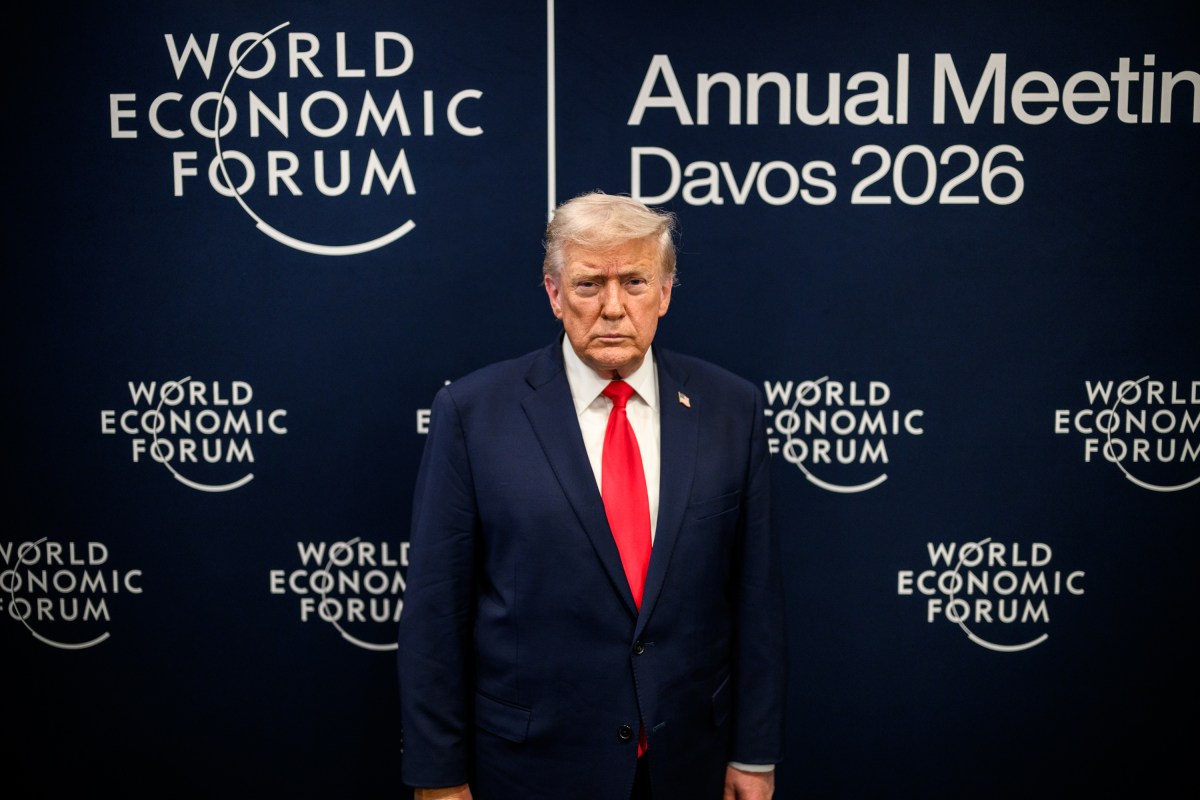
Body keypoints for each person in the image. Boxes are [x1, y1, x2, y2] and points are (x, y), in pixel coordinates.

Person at [397, 191, 785, 800]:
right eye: (587, 285)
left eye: (634, 281)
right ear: (554, 295)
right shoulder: (473, 414)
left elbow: (755, 600)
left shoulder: (732, 408)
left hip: (688, 765)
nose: (612, 307)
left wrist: (755, 755)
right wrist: (439, 778)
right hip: (529, 769)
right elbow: (435, 614)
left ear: (665, 291)